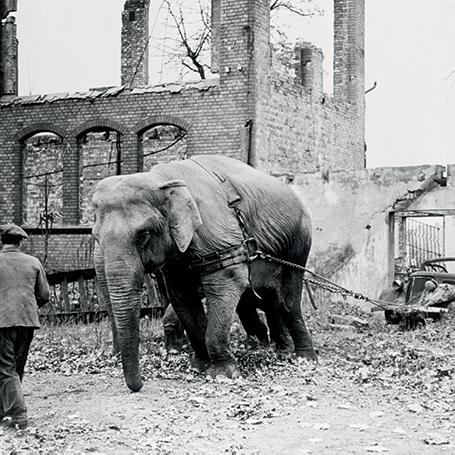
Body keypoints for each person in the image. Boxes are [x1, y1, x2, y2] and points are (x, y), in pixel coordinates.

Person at [0, 224, 50, 430]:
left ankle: (19, 414)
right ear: (20, 242)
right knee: (16, 367)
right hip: (27, 321)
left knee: (5, 368)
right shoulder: (33, 262)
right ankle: (3, 411)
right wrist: (27, 306)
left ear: (2, 241)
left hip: (2, 322)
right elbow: (44, 295)